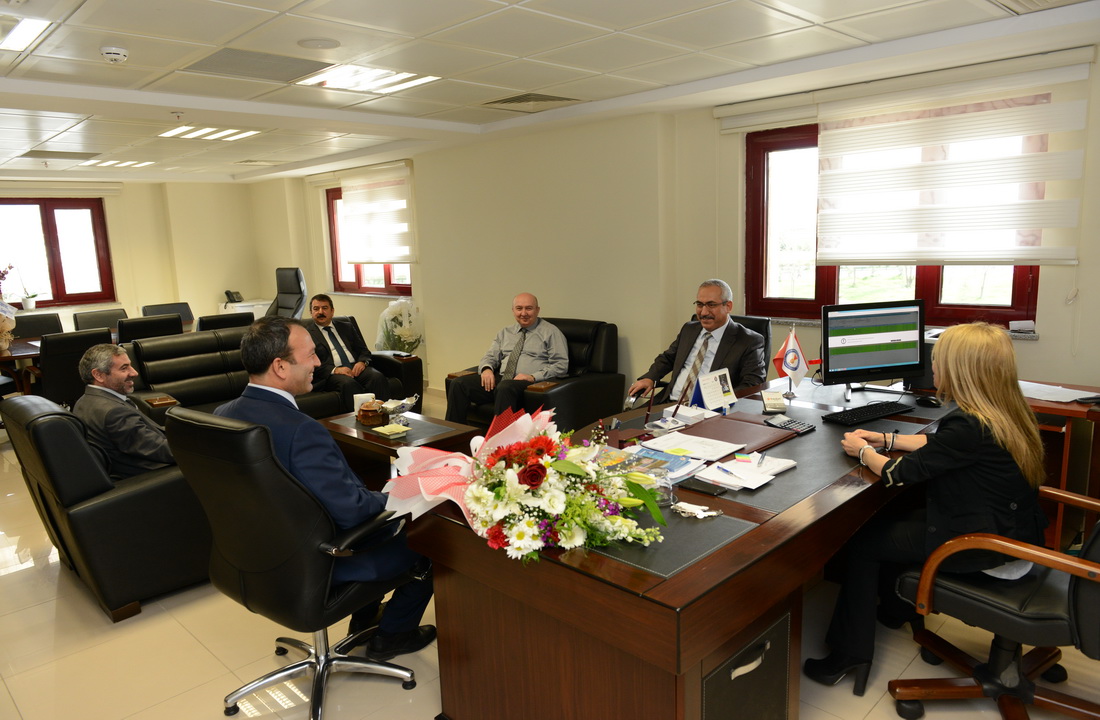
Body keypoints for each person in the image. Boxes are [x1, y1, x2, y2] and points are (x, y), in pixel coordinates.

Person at [803, 322, 1047, 696]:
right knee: (890, 519)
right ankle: (894, 611)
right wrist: (886, 437)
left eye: (938, 359)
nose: (932, 365)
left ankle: (848, 655)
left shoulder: (970, 424)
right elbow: (943, 446)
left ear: (960, 370)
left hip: (984, 546)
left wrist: (862, 451)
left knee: (863, 541)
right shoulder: (1002, 410)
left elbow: (897, 475)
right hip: (1011, 530)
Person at [215, 316, 434, 661]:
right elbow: (353, 511)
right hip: (316, 564)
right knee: (431, 540)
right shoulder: (302, 430)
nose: (319, 363)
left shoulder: (223, 416)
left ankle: (365, 620)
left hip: (255, 559)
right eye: (311, 355)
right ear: (280, 366)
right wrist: (404, 493)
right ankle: (393, 636)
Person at [627, 279, 766, 403]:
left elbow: (752, 385)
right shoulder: (689, 329)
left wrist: (719, 402)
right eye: (700, 304)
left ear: (728, 306)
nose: (703, 312)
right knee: (623, 423)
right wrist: (650, 378)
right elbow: (668, 358)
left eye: (711, 305)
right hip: (669, 403)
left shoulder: (749, 341)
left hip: (710, 410)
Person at [445, 292, 568, 423]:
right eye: (519, 308)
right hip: (502, 379)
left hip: (530, 384)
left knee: (505, 387)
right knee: (458, 384)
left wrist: (533, 377)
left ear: (537, 310)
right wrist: (486, 369)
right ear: (513, 310)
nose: (523, 313)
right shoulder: (505, 332)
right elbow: (490, 356)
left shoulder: (551, 332)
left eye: (529, 308)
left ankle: (500, 435)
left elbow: (561, 365)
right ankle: (454, 431)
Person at [72, 344, 175, 478]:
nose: (134, 373)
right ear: (98, 375)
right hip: (154, 477)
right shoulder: (115, 413)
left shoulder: (84, 401)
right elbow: (161, 450)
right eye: (124, 368)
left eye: (130, 366)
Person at [307, 294, 390, 407]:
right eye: (316, 309)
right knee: (349, 384)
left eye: (325, 308)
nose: (320, 312)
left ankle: (383, 413)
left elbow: (363, 350)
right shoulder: (306, 334)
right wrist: (335, 370)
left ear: (332, 311)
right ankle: (360, 416)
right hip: (331, 374)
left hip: (355, 367)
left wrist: (362, 362)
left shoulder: (346, 327)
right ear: (311, 312)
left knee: (377, 377)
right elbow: (308, 361)